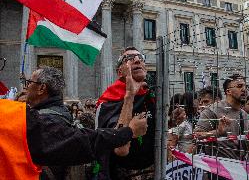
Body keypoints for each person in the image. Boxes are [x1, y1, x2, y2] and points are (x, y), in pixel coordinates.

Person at [0, 66, 148, 180]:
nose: (25, 87)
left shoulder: (26, 116)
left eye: (28, 82)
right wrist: (128, 132)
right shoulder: (19, 116)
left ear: (42, 88)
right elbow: (82, 142)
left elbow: (82, 141)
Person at [96, 46, 155, 180]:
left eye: (140, 58)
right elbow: (120, 149)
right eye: (129, 58)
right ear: (120, 71)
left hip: (154, 170)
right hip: (121, 173)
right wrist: (130, 95)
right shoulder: (107, 103)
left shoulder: (151, 95)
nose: (137, 60)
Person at [194, 74, 249, 180]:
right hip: (219, 172)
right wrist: (218, 132)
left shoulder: (245, 116)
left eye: (246, 87)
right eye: (239, 86)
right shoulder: (212, 110)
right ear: (228, 91)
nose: (244, 89)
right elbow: (196, 135)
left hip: (241, 171)